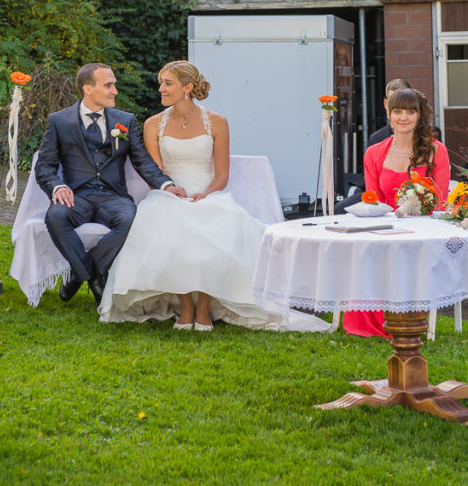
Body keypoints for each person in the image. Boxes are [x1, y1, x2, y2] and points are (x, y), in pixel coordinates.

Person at [99, 61, 332, 333]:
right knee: (166, 223)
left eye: (168, 83)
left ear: (187, 87)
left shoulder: (217, 122)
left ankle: (204, 309)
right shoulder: (153, 124)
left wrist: (207, 194)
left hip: (208, 192)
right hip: (169, 194)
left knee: (217, 227)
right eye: (161, 83)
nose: (161, 89)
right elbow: (156, 172)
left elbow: (222, 174)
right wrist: (172, 191)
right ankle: (186, 307)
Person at [36, 63, 187, 305]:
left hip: (113, 197)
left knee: (131, 219)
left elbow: (142, 160)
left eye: (114, 85)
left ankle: (80, 271)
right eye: (108, 85)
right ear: (88, 89)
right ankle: (93, 275)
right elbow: (44, 166)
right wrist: (58, 186)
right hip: (77, 196)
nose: (115, 91)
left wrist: (166, 185)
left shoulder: (125, 120)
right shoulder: (59, 121)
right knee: (56, 217)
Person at [343, 88, 451, 338]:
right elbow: (373, 200)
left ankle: (405, 315)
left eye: (410, 112)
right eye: (398, 111)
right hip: (385, 228)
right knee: (364, 253)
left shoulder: (436, 150)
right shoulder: (374, 152)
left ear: (419, 115)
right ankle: (371, 317)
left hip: (423, 230)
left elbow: (441, 200)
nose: (403, 117)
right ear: (389, 114)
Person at [335, 78, 413, 214]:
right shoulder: (376, 138)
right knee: (340, 209)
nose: (398, 106)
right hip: (379, 191)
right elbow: (367, 179)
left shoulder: (429, 138)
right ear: (386, 104)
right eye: (394, 102)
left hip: (413, 195)